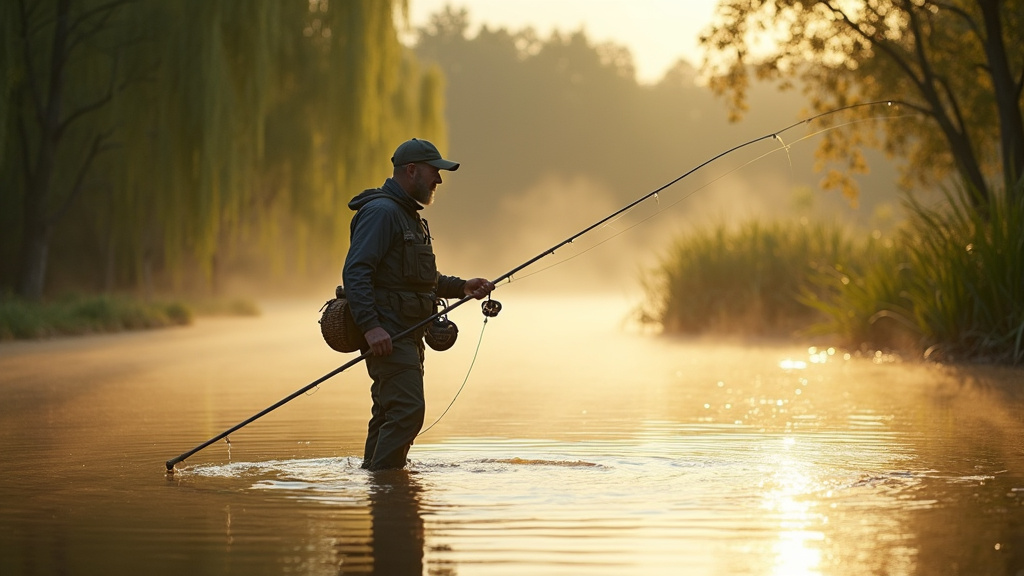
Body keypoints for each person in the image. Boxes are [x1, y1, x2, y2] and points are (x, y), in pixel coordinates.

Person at [342, 138, 494, 471]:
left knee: (388, 413)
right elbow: (356, 272)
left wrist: (462, 288)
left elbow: (418, 280)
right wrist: (371, 327)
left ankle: (377, 486)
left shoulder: (408, 216)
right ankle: (387, 485)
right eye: (434, 172)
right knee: (408, 412)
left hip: (405, 334)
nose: (439, 180)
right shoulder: (382, 213)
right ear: (411, 171)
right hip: (388, 335)